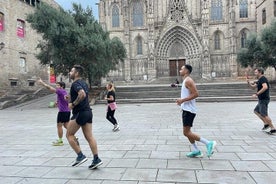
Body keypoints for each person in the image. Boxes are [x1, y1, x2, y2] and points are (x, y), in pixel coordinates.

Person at [66, 65, 102, 169]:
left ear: (76, 73)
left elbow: (82, 94)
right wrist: (70, 98)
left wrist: (73, 104)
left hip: (80, 113)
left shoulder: (76, 83)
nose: (70, 73)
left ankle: (80, 156)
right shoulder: (84, 83)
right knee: (89, 137)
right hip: (88, 112)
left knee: (69, 135)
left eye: (71, 71)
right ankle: (96, 159)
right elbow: (81, 94)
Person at [176, 64, 216, 158]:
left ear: (186, 71)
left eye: (181, 69)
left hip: (189, 110)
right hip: (187, 109)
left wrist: (182, 100)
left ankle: (208, 143)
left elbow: (196, 94)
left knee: (186, 132)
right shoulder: (186, 80)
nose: (179, 71)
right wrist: (182, 104)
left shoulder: (188, 80)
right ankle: (196, 150)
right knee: (188, 131)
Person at [37, 78, 71, 146]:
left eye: (58, 85)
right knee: (66, 125)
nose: (56, 86)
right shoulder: (64, 91)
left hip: (62, 112)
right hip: (67, 111)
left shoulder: (60, 91)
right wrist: (57, 102)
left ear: (62, 86)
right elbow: (64, 100)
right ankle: (74, 137)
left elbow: (49, 88)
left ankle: (60, 141)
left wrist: (42, 83)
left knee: (59, 126)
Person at [247, 68, 276, 134]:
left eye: (256, 72)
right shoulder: (260, 80)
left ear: (260, 72)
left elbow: (265, 87)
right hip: (261, 99)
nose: (255, 73)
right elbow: (253, 87)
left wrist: (256, 94)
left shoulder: (263, 78)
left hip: (264, 99)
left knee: (264, 114)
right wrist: (249, 83)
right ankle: (266, 124)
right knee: (256, 111)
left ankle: (273, 128)